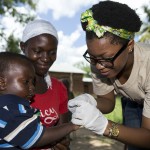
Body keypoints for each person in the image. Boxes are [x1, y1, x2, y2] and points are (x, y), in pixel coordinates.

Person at [68, 1, 150, 150]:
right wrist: (91, 102)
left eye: (106, 58)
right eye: (93, 57)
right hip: (132, 102)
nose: (98, 66)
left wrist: (105, 126)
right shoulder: (98, 60)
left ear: (130, 46)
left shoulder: (148, 67)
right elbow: (108, 102)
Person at [0, 52, 79, 149]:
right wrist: (71, 126)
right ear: (2, 83)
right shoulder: (11, 111)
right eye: (26, 82)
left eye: (32, 82)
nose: (32, 88)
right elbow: (36, 138)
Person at [20, 19, 70, 149]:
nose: (46, 58)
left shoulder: (59, 88)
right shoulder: (8, 86)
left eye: (52, 52)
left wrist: (63, 142)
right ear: (23, 47)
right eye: (38, 51)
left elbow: (62, 131)